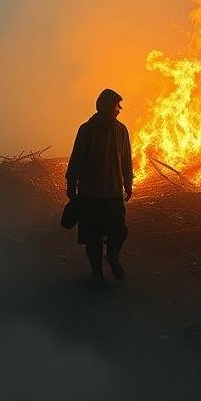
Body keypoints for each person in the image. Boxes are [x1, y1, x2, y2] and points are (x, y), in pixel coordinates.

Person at [65, 88, 133, 281]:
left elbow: (126, 160)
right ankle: (96, 269)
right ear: (104, 107)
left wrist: (128, 183)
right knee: (92, 236)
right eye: (116, 106)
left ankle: (112, 256)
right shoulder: (87, 130)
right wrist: (71, 184)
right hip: (91, 195)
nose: (118, 110)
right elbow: (76, 160)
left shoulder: (121, 130)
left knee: (119, 231)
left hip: (114, 193)